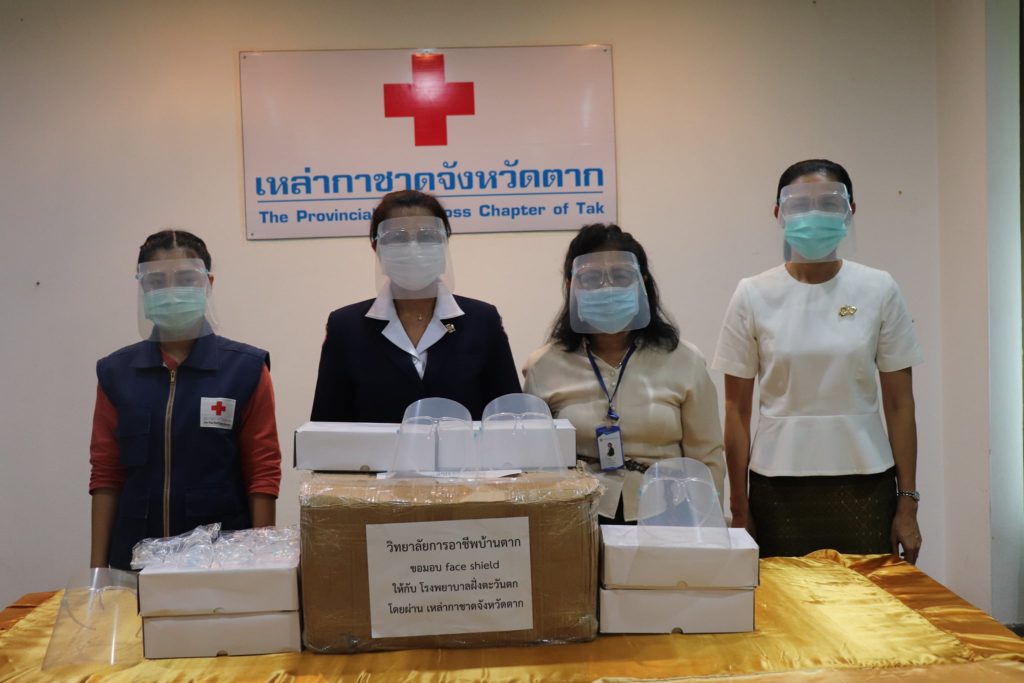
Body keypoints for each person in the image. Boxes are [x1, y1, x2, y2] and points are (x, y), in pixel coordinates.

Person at [712, 159, 924, 563]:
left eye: (828, 203)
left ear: (850, 211)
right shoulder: (752, 294)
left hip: (867, 483)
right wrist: (739, 508)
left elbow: (900, 404)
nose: (814, 214)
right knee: (783, 600)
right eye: (799, 204)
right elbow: (736, 410)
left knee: (866, 598)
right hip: (776, 488)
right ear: (779, 213)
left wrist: (907, 503)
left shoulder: (878, 289)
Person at [89, 230, 282, 570]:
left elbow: (262, 472)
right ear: (144, 288)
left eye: (185, 279)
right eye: (157, 281)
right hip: (134, 558)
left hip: (220, 560)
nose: (171, 290)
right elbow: (106, 473)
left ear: (208, 283)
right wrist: (97, 570)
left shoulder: (245, 369)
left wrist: (262, 564)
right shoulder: (116, 373)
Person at [524, 224, 725, 523]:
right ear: (571, 285)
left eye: (620, 276)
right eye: (591, 278)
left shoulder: (685, 360)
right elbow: (534, 465)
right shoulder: (543, 366)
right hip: (578, 517)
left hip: (668, 514)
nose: (607, 288)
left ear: (643, 282)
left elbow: (707, 457)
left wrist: (708, 524)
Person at [311, 190, 521, 423]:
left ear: (444, 243)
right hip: (376, 450)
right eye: (398, 238)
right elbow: (326, 424)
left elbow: (509, 416)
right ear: (376, 247)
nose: (413, 247)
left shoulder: (482, 320)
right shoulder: (346, 327)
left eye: (427, 236)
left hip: (463, 449)